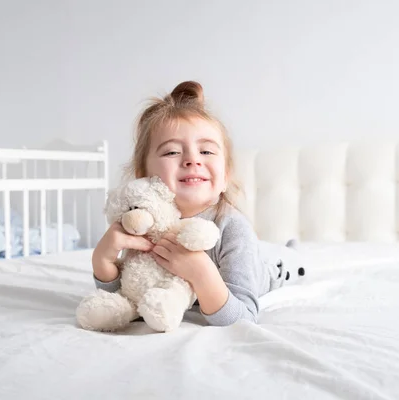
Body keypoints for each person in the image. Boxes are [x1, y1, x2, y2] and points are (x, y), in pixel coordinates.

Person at [91, 80, 304, 326]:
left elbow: (243, 316)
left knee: (282, 263)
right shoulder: (143, 223)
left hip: (266, 267)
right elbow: (130, 295)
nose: (192, 160)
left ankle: (292, 251)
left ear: (225, 176)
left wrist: (202, 275)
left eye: (206, 152)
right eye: (172, 152)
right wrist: (103, 264)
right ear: (144, 176)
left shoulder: (233, 228)